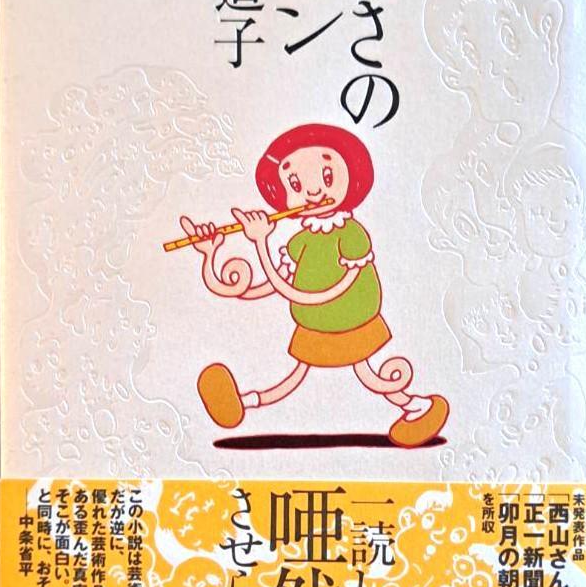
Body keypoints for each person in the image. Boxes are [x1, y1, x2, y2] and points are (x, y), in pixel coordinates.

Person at [179, 122, 449, 448]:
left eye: (327, 176)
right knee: (299, 378)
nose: (314, 192)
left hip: (352, 323)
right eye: (295, 183)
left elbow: (315, 294)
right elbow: (267, 287)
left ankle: (418, 406)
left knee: (369, 375)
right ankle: (241, 403)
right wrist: (210, 256)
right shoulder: (302, 240)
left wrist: (261, 244)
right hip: (315, 328)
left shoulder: (351, 235)